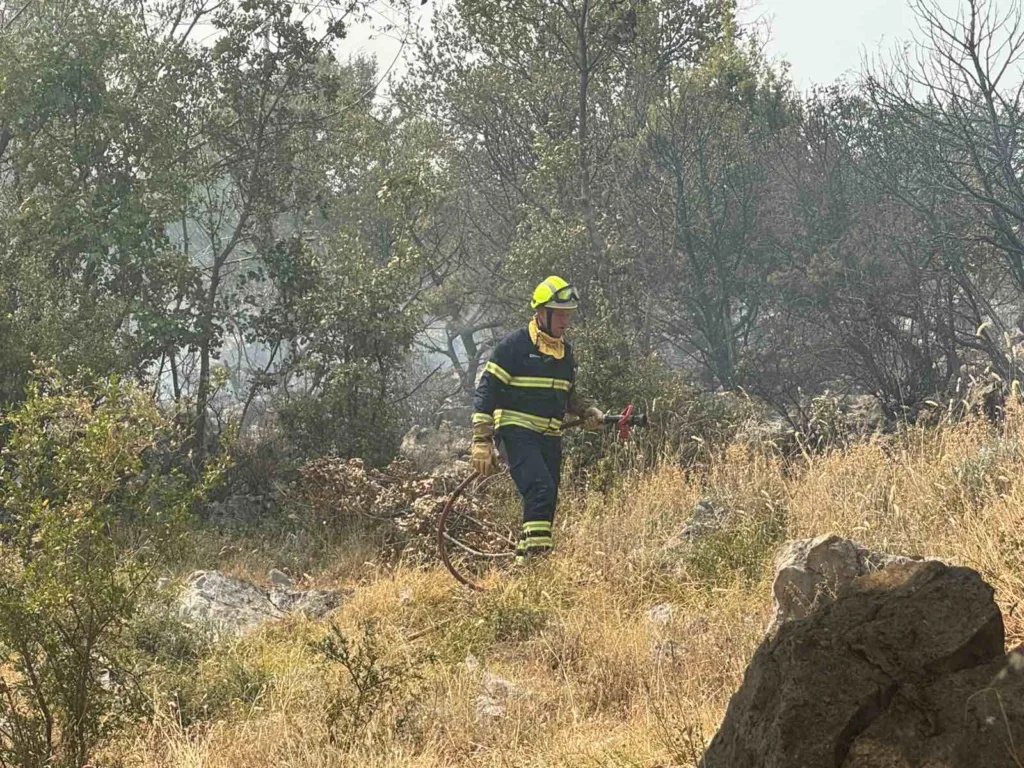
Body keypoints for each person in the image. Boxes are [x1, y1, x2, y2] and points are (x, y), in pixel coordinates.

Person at [470, 276, 604, 563]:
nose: (566, 321)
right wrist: (482, 441)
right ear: (542, 313)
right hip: (517, 434)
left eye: (569, 314)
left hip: (549, 438)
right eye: (561, 314)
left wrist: (586, 411)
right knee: (540, 489)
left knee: (546, 500)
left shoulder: (564, 354)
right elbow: (487, 391)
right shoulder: (513, 348)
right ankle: (538, 565)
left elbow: (567, 395)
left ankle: (523, 565)